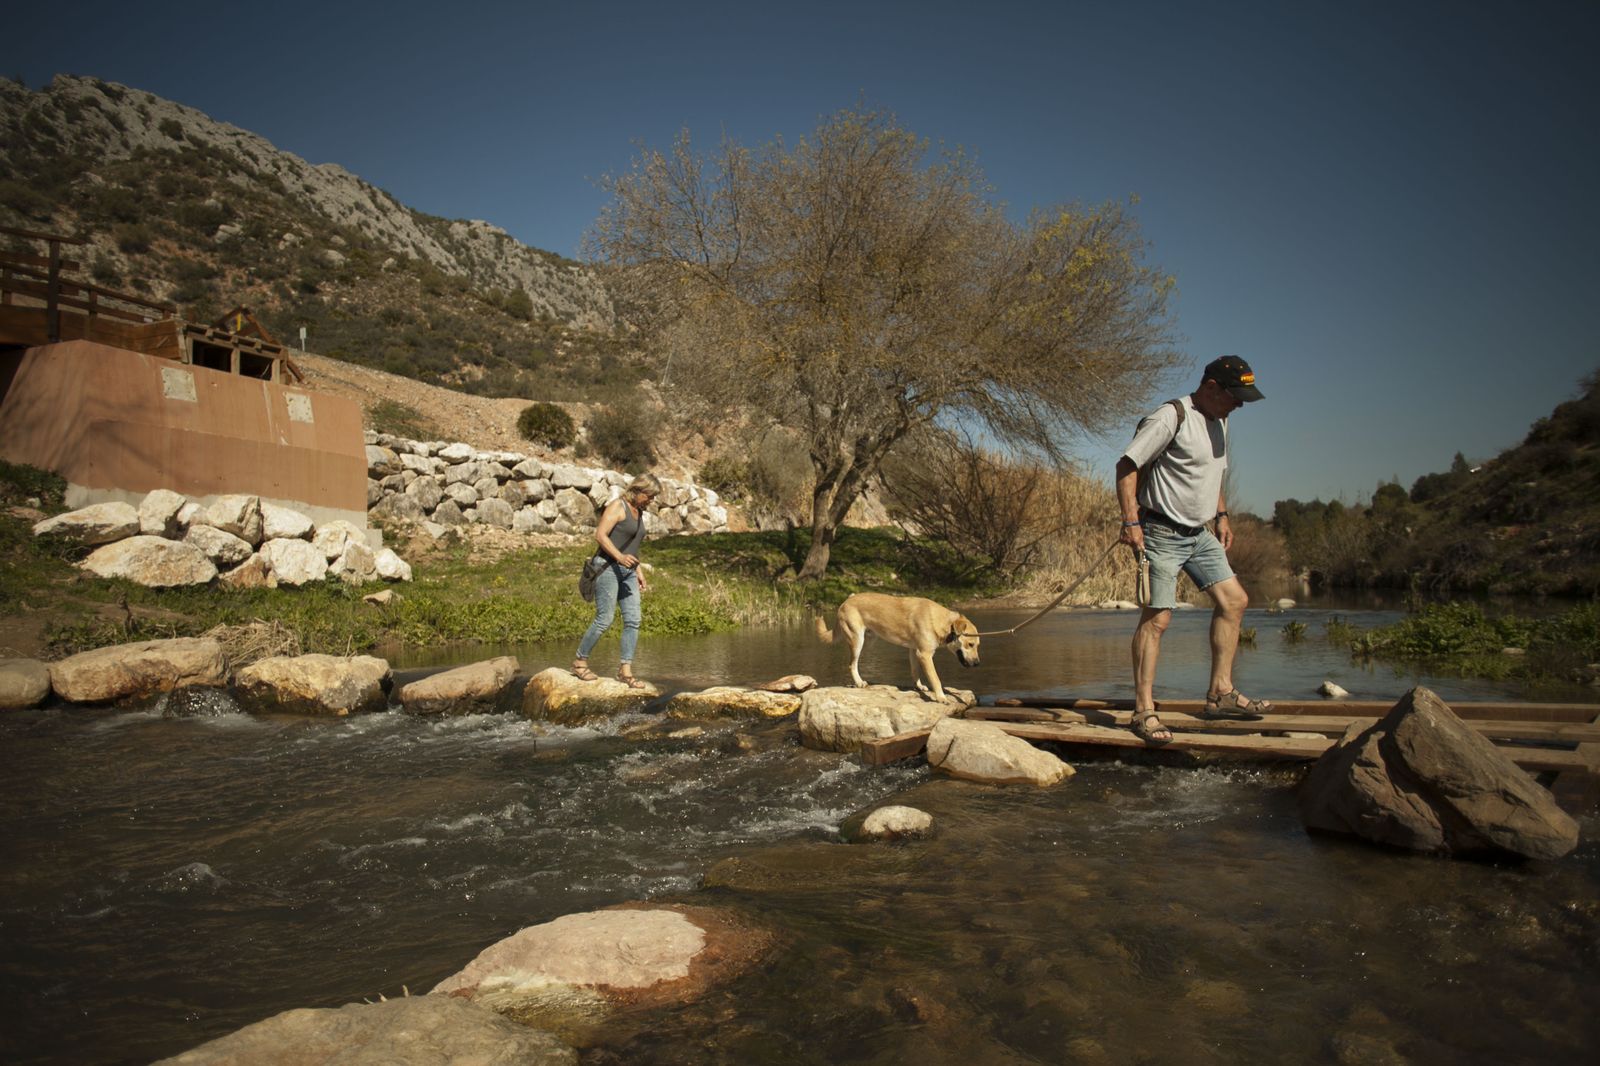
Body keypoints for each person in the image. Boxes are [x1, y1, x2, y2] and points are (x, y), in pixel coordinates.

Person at [1114, 355, 1271, 743]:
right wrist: (1131, 521)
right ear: (1211, 387)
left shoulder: (1221, 420)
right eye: (1235, 396)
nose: (1239, 405)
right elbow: (1126, 465)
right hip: (1161, 531)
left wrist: (1222, 515)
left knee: (1234, 601)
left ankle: (1220, 692)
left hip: (1198, 533)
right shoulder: (1170, 417)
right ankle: (1143, 710)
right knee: (1157, 620)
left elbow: (1212, 472)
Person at [572, 473, 661, 688]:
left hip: (629, 572)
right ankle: (580, 661)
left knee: (633, 620)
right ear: (638, 491)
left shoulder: (639, 512)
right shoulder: (617, 506)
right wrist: (620, 557)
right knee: (605, 618)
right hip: (608, 567)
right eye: (649, 496)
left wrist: (638, 569)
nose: (651, 501)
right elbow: (600, 535)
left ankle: (625, 670)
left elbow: (631, 545)